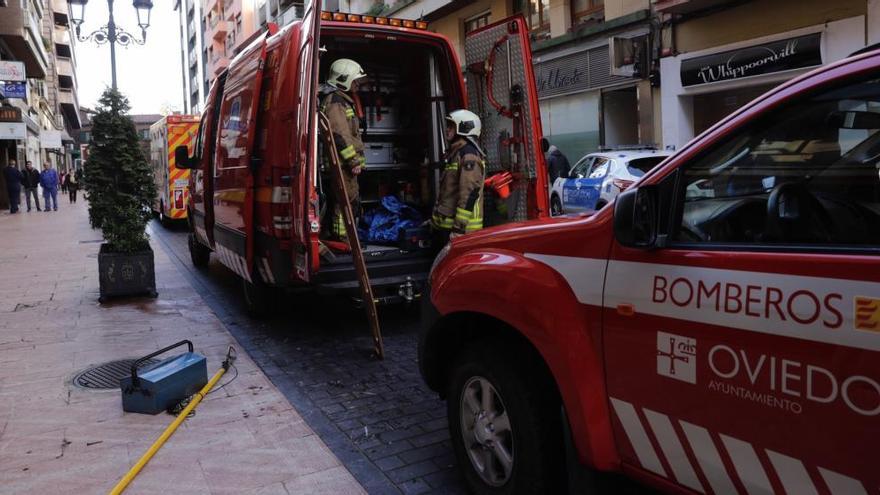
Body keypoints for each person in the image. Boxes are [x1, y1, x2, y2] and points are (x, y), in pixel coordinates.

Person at [320, 58, 367, 241]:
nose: (357, 84)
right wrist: (353, 160)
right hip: (342, 165)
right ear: (344, 79)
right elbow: (339, 135)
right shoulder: (336, 102)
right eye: (355, 80)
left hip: (344, 165)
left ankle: (346, 239)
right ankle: (343, 241)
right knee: (345, 203)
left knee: (348, 201)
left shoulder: (341, 100)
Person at [430, 109, 486, 246]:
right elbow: (449, 193)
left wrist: (459, 229)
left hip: (463, 231)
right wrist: (435, 221)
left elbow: (469, 194)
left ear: (464, 128)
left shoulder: (468, 155)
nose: (447, 129)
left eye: (451, 126)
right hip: (449, 227)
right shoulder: (456, 153)